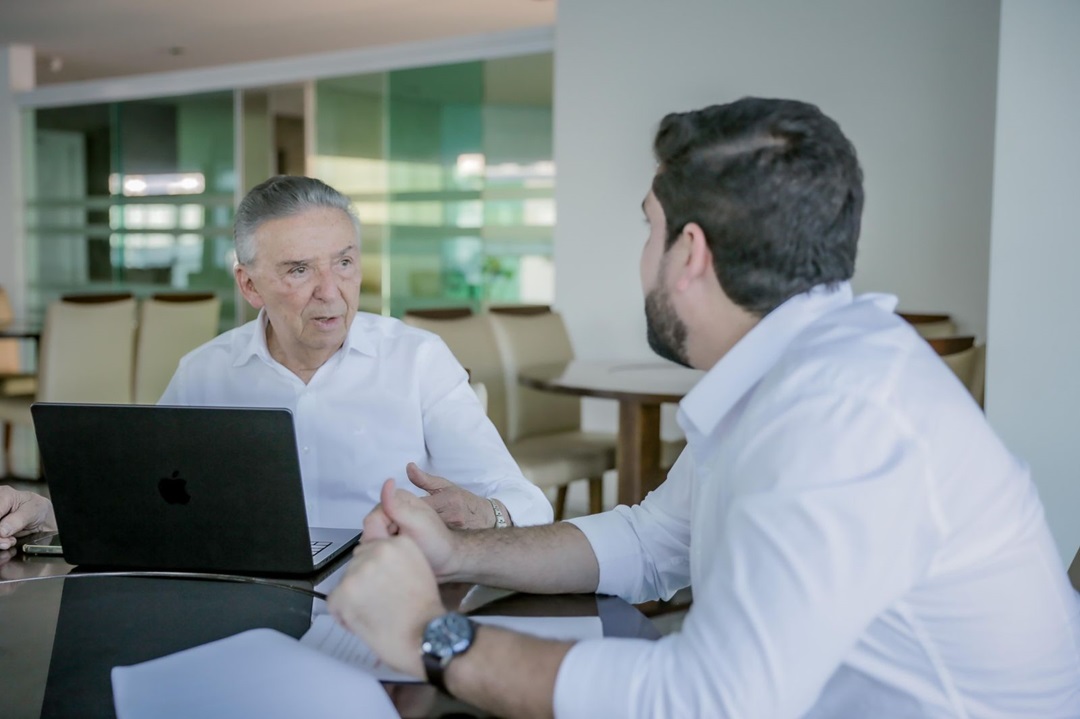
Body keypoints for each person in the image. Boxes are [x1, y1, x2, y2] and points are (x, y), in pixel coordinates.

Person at [326, 98, 1080, 718]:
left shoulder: (842, 415)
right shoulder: (797, 371)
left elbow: (705, 702)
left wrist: (433, 637)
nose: (642, 255)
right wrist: (463, 552)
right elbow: (653, 541)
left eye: (647, 226)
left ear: (690, 254)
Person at [0, 176, 553, 553]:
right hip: (239, 601)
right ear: (249, 284)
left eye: (343, 263)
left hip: (388, 600)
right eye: (298, 271)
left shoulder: (418, 360)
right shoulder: (205, 372)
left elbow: (529, 505)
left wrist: (485, 515)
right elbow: (143, 506)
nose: (330, 292)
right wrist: (45, 513)